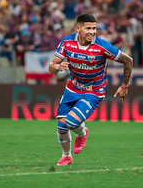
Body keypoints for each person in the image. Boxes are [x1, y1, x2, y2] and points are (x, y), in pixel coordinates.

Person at [48, 14, 133, 166]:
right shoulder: (67, 42)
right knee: (61, 125)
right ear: (78, 28)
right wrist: (57, 67)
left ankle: (82, 133)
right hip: (72, 88)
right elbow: (51, 66)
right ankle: (66, 156)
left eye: (94, 28)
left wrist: (124, 85)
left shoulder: (102, 46)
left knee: (72, 122)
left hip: (93, 91)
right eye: (88, 28)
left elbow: (128, 60)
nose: (92, 32)